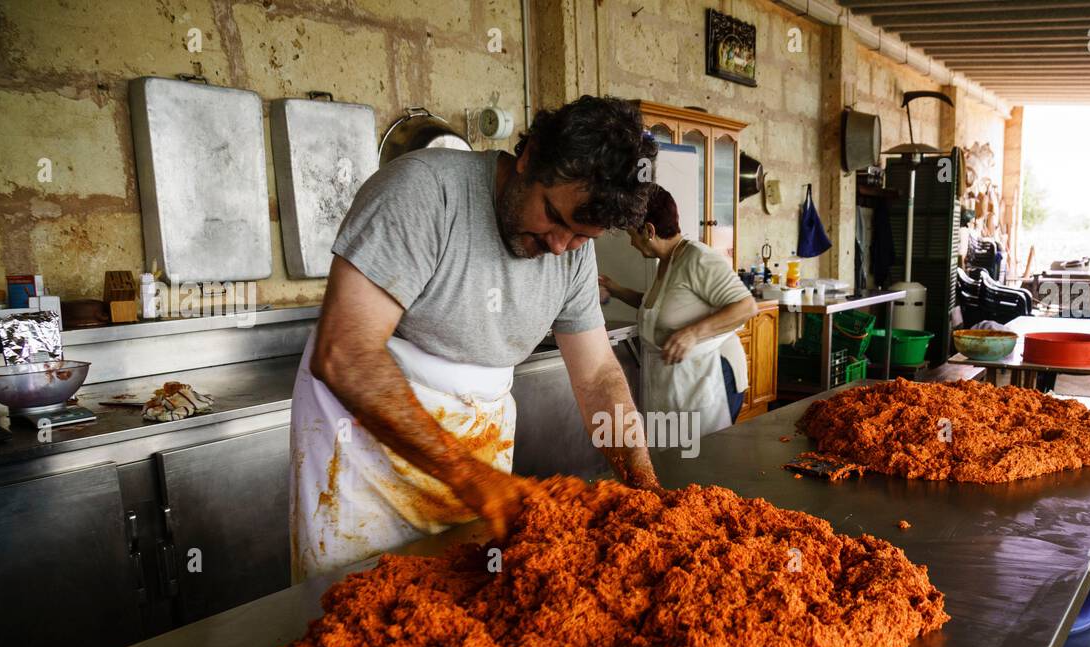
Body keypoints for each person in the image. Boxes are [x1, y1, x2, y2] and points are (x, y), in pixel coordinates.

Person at [289, 95, 661, 580]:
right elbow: (345, 354)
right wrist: (473, 479)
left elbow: (596, 374)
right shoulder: (421, 193)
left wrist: (643, 483)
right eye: (554, 216)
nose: (559, 247)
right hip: (367, 463)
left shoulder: (569, 250)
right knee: (361, 616)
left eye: (581, 237)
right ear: (529, 159)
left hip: (475, 460)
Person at [599, 185, 756, 433]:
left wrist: (693, 333)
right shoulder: (666, 262)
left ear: (649, 231)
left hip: (709, 379)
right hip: (679, 383)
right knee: (677, 463)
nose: (630, 243)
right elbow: (658, 308)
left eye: (632, 234)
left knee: (704, 462)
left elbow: (746, 306)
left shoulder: (698, 258)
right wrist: (615, 289)